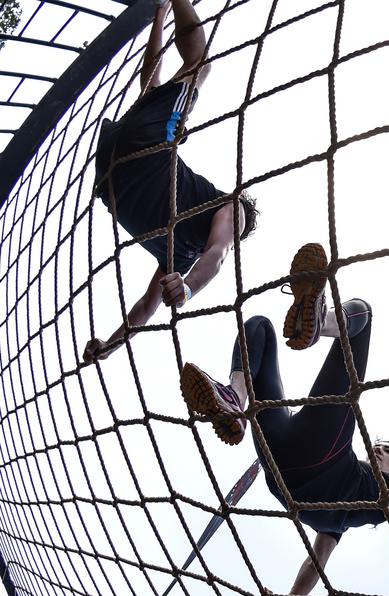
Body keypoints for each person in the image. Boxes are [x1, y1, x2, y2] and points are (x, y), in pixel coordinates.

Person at [178, 243, 389, 596]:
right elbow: (320, 557)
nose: (379, 449)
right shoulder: (348, 501)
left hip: (308, 472)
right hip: (285, 451)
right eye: (378, 446)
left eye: (388, 451)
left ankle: (321, 324)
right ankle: (235, 396)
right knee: (260, 327)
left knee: (364, 312)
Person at [85, 0, 258, 363]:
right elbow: (217, 253)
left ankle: (164, 9)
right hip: (117, 172)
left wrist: (110, 346)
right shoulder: (219, 215)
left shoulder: (179, 253)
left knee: (185, 74)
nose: (231, 229)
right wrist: (190, 289)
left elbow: (149, 305)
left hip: (136, 154)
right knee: (172, 82)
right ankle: (164, 9)